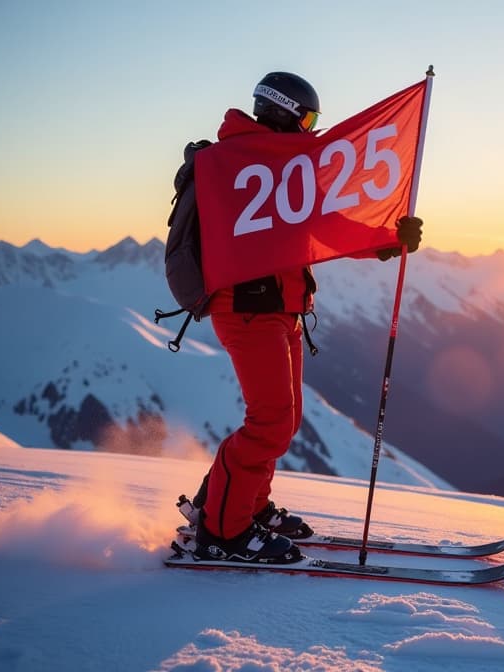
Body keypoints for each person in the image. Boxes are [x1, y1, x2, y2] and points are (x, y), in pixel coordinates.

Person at [180, 71, 423, 564]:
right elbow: (316, 220)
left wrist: (385, 241)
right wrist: (383, 240)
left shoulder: (281, 166)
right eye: (309, 119)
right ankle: (223, 532)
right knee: (269, 421)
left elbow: (316, 223)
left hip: (281, 308)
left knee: (283, 421)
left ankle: (243, 505)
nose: (313, 130)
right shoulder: (238, 163)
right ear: (286, 112)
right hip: (248, 308)